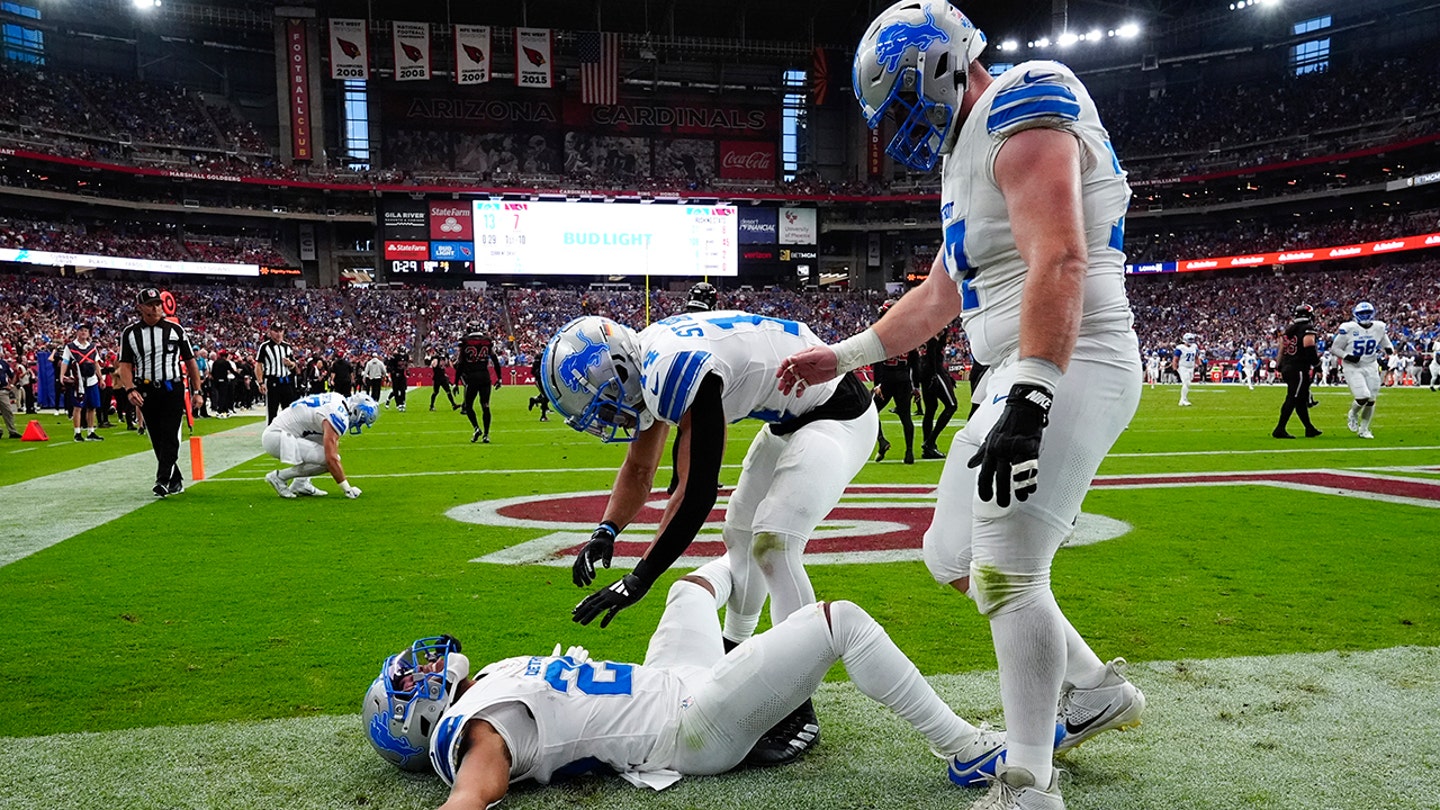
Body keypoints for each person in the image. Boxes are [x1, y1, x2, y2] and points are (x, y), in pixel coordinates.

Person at [778, 4, 1146, 805]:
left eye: (903, 101)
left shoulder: (1025, 98)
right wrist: (840, 356)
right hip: (1015, 362)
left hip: (1072, 355)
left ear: (940, 67)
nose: (900, 127)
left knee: (1011, 568)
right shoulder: (965, 155)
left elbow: (1061, 255)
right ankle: (1090, 691)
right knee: (952, 556)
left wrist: (1034, 394)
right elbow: (941, 295)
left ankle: (1027, 783)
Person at [363, 556, 1023, 807]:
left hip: (670, 681)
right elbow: (471, 795)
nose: (421, 665)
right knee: (838, 622)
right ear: (417, 717)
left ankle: (763, 557)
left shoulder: (487, 682)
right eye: (411, 678)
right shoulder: (476, 725)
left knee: (694, 585)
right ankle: (965, 750)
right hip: (688, 727)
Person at [540, 311, 878, 767]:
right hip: (789, 418)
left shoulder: (673, 367)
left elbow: (696, 492)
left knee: (775, 542)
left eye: (600, 403)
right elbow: (640, 470)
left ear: (618, 369)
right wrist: (607, 530)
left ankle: (798, 706)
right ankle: (735, 650)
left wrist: (639, 579)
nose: (603, 416)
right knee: (739, 533)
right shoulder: (648, 360)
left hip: (839, 415)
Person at [116, 287, 203, 497]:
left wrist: (198, 390)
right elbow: (124, 365)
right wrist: (130, 389)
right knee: (156, 437)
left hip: (172, 387)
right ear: (140, 307)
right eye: (150, 305)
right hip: (145, 389)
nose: (155, 308)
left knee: (171, 434)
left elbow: (191, 363)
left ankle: (162, 479)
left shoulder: (175, 330)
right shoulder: (130, 333)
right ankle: (175, 479)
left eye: (158, 304)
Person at [261, 391, 377, 499]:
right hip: (277, 437)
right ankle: (279, 477)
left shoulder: (338, 398)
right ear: (355, 411)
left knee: (323, 443)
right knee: (330, 459)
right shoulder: (339, 415)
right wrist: (347, 488)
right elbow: (331, 459)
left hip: (283, 433)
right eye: (361, 420)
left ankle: (301, 484)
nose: (359, 424)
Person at [1330, 301, 1393, 440]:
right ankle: (1352, 413)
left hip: (1371, 365)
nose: (1365, 316)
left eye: (1367, 313)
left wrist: (1388, 348)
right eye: (1361, 314)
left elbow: (1386, 342)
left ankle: (1364, 429)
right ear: (1355, 315)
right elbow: (1335, 348)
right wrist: (1347, 356)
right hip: (1353, 366)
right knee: (1363, 395)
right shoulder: (1348, 328)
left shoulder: (1379, 327)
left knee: (1371, 399)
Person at [1274, 304, 1324, 439]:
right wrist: (1318, 366)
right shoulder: (1307, 329)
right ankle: (1280, 428)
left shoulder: (1289, 329)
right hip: (1298, 368)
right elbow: (1309, 348)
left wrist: (1278, 365)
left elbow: (1282, 348)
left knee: (1300, 399)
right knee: (1293, 398)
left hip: (1288, 366)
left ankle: (1309, 428)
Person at [456, 326, 504, 443]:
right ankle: (486, 434)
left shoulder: (465, 341)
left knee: (468, 406)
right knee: (485, 406)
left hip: (471, 378)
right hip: (484, 377)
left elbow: (460, 363)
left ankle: (477, 428)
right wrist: (500, 378)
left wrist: (455, 381)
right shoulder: (486, 341)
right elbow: (495, 360)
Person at [59, 323, 104, 441]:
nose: (84, 332)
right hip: (78, 380)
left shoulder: (92, 347)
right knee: (78, 406)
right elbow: (65, 361)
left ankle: (91, 431)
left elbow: (96, 363)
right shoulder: (70, 347)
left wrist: (101, 378)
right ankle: (77, 432)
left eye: (86, 330)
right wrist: (62, 375)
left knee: (92, 406)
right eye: (82, 330)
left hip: (92, 380)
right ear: (77, 332)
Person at [920, 327, 958, 459]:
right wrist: (937, 374)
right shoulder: (934, 333)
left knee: (931, 409)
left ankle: (928, 447)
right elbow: (932, 350)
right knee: (952, 405)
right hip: (933, 371)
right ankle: (930, 442)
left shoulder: (929, 334)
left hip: (927, 371)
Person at [256, 321, 300, 425]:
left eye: (280, 331)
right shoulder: (265, 346)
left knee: (289, 411)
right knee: (272, 412)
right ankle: (271, 436)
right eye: (276, 331)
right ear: (270, 332)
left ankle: (289, 434)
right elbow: (258, 365)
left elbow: (294, 366)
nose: (278, 334)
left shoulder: (287, 346)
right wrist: (261, 382)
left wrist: (291, 364)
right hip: (273, 381)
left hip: (286, 381)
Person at [0, 346, 21, 438]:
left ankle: (12, 431)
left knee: (7, 410)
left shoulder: (3, 363)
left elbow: (12, 374)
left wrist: (11, 385)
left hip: (2, 390)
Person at [1174, 333, 1198, 406]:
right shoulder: (1180, 348)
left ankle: (1182, 400)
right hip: (1183, 367)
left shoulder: (1194, 347)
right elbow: (1175, 359)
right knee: (1187, 383)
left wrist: (1199, 364)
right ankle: (1184, 400)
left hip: (1191, 367)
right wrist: (1175, 368)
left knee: (1188, 384)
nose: (1191, 341)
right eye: (1189, 339)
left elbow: (1196, 357)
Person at [526, 353, 549, 420]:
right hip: (540, 380)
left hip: (540, 380)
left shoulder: (536, 362)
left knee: (545, 395)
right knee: (546, 397)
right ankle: (543, 415)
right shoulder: (542, 362)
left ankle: (535, 400)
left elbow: (532, 371)